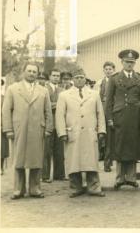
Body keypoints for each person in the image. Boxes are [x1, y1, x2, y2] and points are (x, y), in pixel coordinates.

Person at [2, 62, 53, 199]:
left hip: (37, 129)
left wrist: (48, 128)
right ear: (24, 72)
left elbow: (48, 111)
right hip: (19, 129)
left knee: (36, 159)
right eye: (29, 71)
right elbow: (6, 110)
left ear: (37, 74)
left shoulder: (43, 91)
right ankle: (18, 190)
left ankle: (35, 189)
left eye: (34, 72)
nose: (31, 74)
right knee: (19, 159)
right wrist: (8, 129)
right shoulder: (13, 89)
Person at [55, 68, 106, 198]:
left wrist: (101, 130)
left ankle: (94, 187)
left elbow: (100, 113)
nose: (79, 79)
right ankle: (75, 187)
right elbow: (60, 115)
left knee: (91, 161)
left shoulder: (94, 94)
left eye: (81, 77)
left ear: (85, 78)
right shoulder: (64, 95)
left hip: (90, 132)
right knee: (73, 162)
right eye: (76, 77)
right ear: (73, 79)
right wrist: (62, 132)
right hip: (73, 133)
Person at [105, 49, 140, 190]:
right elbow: (109, 101)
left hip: (135, 116)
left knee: (133, 146)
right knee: (120, 147)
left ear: (135, 63)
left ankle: (131, 178)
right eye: (127, 62)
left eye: (132, 62)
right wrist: (109, 118)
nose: (130, 64)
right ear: (122, 62)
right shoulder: (114, 78)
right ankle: (119, 179)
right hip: (119, 117)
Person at [42, 68, 66, 182]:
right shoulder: (44, 89)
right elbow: (44, 106)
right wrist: (57, 105)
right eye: (54, 75)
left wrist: (56, 105)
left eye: (58, 76)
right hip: (48, 123)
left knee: (59, 150)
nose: (56, 77)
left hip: (60, 123)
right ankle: (45, 175)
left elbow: (65, 106)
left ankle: (59, 175)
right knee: (46, 150)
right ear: (50, 77)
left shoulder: (63, 90)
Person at [96, 61, 116, 172]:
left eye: (110, 69)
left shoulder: (116, 81)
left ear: (113, 70)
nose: (108, 71)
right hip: (101, 110)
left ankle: (107, 164)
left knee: (110, 139)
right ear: (103, 70)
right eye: (106, 69)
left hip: (112, 111)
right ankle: (97, 161)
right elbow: (96, 97)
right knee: (100, 136)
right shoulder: (100, 83)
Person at [1, 79, 9, 175]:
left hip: (0, 125)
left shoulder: (3, 98)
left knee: (2, 147)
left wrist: (4, 125)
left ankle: (0, 167)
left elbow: (6, 112)